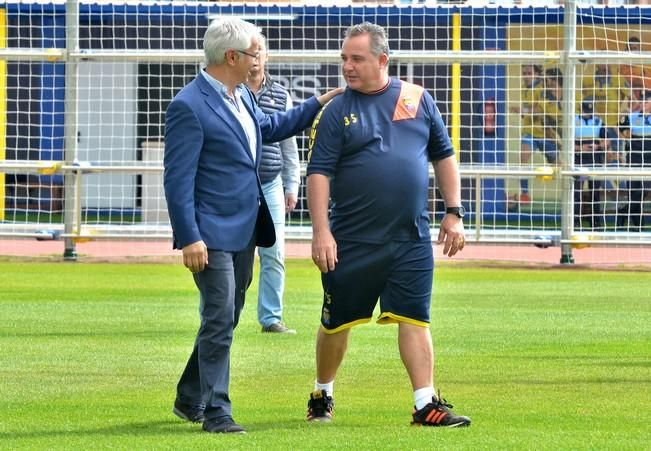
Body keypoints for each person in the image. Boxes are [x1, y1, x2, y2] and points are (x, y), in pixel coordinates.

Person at [164, 18, 341, 434]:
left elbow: (269, 128)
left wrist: (318, 103)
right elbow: (177, 179)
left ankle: (190, 396)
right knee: (221, 315)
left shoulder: (241, 93)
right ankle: (216, 412)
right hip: (209, 234)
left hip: (245, 228)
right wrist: (189, 236)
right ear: (232, 57)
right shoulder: (188, 106)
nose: (258, 59)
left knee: (226, 315)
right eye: (253, 53)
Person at [304, 22, 471, 428]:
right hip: (352, 241)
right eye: (344, 58)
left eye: (356, 58)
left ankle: (425, 403)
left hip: (410, 238)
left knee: (415, 317)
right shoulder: (336, 111)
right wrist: (321, 231)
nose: (347, 66)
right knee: (336, 323)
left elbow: (443, 155)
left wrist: (454, 211)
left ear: (382, 60)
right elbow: (318, 174)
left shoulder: (416, 98)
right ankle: (322, 393)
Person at [245, 34, 299, 334]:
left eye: (259, 52)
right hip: (238, 184)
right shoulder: (230, 91)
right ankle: (220, 314)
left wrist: (292, 185)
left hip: (271, 183)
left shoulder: (281, 95)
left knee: (274, 252)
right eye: (250, 52)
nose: (255, 58)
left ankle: (271, 318)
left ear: (267, 56)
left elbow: (289, 145)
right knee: (230, 254)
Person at [619, 89, 651, 230]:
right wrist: (627, 137)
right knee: (635, 192)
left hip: (649, 160)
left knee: (642, 192)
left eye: (647, 101)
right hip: (634, 158)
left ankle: (623, 212)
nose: (644, 104)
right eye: (642, 101)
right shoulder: (632, 117)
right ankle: (638, 226)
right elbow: (620, 129)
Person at [573, 96, 607, 230]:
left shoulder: (599, 121)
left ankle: (595, 222)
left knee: (595, 192)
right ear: (581, 108)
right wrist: (581, 148)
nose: (588, 112)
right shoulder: (573, 121)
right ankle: (574, 221)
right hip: (578, 159)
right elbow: (566, 143)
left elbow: (606, 140)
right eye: (586, 109)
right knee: (576, 192)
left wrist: (598, 146)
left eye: (590, 109)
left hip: (595, 159)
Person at [513, 64, 545, 204]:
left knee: (558, 163)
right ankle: (524, 194)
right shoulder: (524, 89)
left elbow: (538, 110)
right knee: (523, 159)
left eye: (528, 73)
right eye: (524, 73)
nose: (525, 76)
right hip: (529, 131)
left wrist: (522, 111)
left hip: (545, 132)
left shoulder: (543, 88)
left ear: (537, 74)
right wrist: (522, 113)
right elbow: (527, 112)